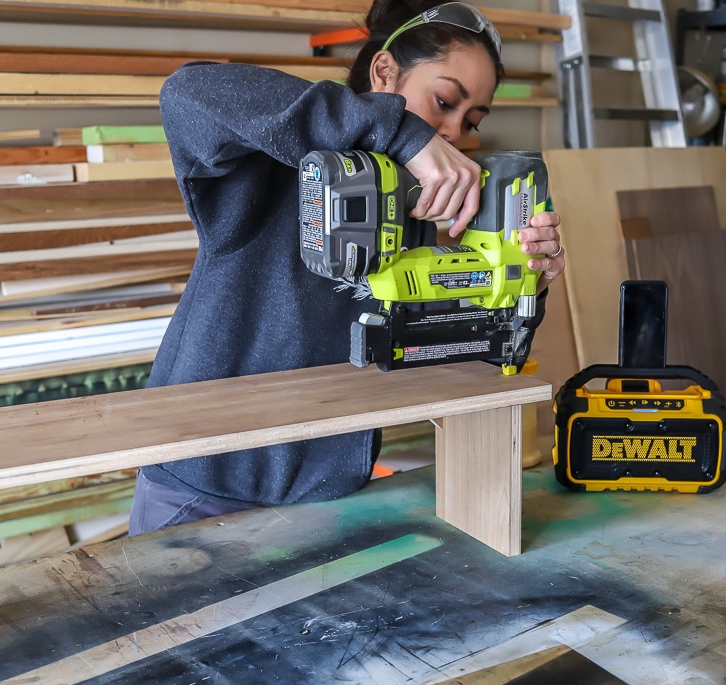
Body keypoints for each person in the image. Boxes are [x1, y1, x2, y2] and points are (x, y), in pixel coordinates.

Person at [129, 0, 566, 535]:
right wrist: (405, 134)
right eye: (444, 101)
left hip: (329, 496)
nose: (452, 132)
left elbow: (456, 357)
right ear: (384, 72)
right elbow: (188, 92)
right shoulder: (263, 167)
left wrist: (523, 283)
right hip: (202, 484)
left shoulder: (415, 215)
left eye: (468, 121)